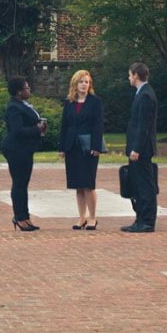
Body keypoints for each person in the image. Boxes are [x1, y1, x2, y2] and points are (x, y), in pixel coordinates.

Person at [60, 69, 105, 231]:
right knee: (78, 185)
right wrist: (62, 148)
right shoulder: (69, 102)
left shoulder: (95, 101)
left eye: (87, 82)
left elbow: (98, 125)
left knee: (88, 184)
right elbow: (64, 126)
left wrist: (96, 146)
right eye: (81, 82)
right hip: (72, 147)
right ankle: (82, 218)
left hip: (88, 147)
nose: (84, 85)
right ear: (75, 84)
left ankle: (93, 217)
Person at [2, 76, 46, 232]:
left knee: (23, 184)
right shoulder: (14, 107)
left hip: (25, 149)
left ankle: (25, 216)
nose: (29, 90)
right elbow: (17, 130)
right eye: (27, 88)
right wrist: (37, 129)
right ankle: (19, 217)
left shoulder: (22, 104)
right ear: (19, 92)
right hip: (16, 149)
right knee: (19, 183)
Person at [122, 62, 160, 233]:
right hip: (139, 148)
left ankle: (146, 221)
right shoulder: (142, 93)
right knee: (138, 185)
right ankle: (140, 219)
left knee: (145, 186)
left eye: (130, 75)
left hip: (142, 149)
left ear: (136, 75)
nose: (129, 78)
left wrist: (136, 149)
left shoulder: (145, 95)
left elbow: (143, 126)